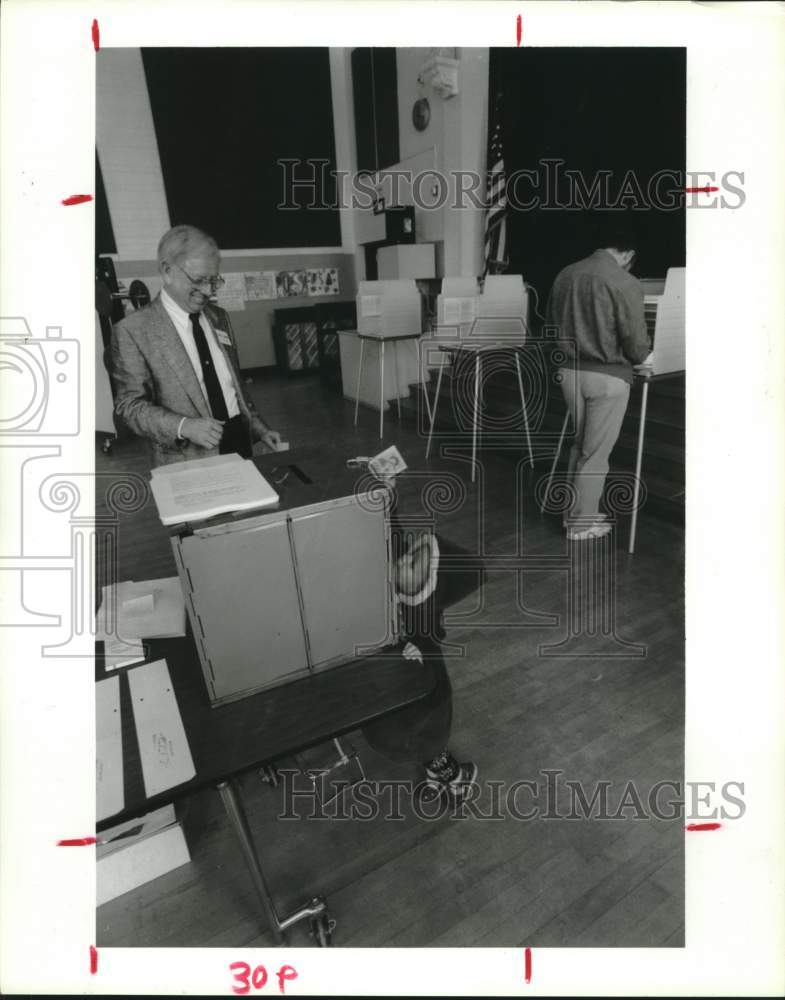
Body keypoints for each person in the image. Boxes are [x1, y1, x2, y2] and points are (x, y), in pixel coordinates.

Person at [110, 225, 282, 467]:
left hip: (240, 444)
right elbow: (129, 407)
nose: (208, 291)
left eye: (213, 281)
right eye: (199, 280)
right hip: (187, 457)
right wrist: (183, 426)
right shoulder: (133, 330)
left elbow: (233, 387)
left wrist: (260, 430)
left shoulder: (218, 317)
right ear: (167, 271)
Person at [361, 470, 478, 803]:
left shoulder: (421, 628)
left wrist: (413, 650)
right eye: (413, 551)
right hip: (388, 700)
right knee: (409, 734)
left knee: (424, 738)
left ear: (424, 587)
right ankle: (440, 768)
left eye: (414, 561)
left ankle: (452, 775)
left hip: (420, 709)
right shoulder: (401, 575)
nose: (405, 556)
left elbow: (427, 653)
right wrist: (390, 497)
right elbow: (393, 536)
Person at [546, 223, 652, 540]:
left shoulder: (565, 274)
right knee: (596, 453)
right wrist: (645, 357)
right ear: (628, 253)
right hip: (607, 377)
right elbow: (635, 342)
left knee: (581, 445)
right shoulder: (625, 281)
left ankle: (575, 514)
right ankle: (581, 525)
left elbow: (550, 325)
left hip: (569, 372)